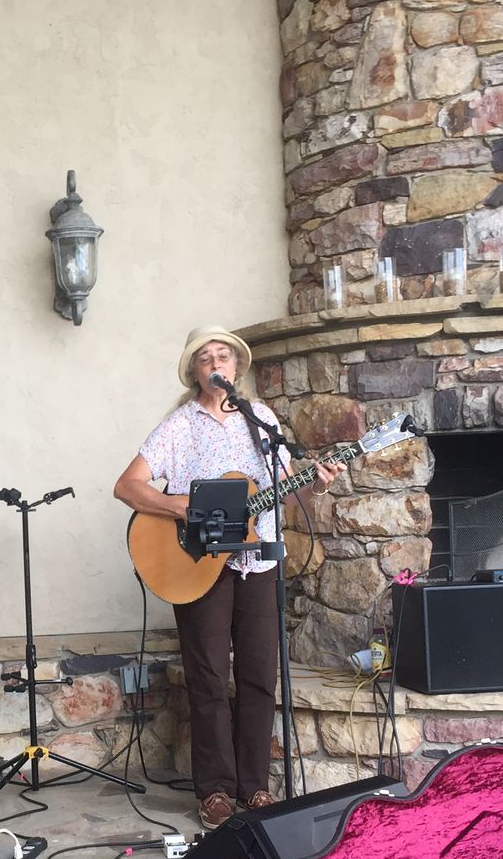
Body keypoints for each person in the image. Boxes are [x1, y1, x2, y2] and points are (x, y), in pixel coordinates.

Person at [114, 325, 343, 831]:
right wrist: (182, 506)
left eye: (224, 356)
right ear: (195, 372)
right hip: (199, 563)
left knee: (260, 675)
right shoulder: (179, 426)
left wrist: (316, 484)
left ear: (236, 367)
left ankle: (254, 786)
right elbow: (127, 486)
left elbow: (286, 494)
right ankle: (215, 790)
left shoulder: (262, 420)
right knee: (210, 678)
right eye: (206, 358)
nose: (216, 363)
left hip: (258, 560)